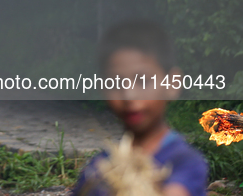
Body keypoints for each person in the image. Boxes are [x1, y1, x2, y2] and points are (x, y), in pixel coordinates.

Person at [72, 20, 208, 196]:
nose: (129, 95)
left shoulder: (184, 162)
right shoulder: (99, 169)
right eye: (115, 82)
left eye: (142, 80)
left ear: (172, 83)